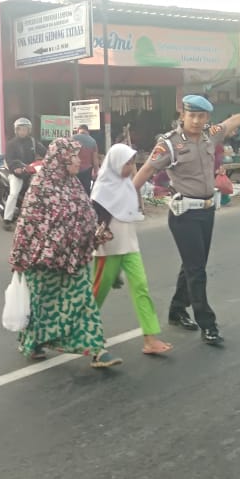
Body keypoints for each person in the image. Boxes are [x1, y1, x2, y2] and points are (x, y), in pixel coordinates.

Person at [139, 89, 240, 345]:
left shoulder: (210, 136)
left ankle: (177, 309)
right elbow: (147, 168)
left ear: (207, 118)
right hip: (184, 214)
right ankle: (208, 324)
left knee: (194, 265)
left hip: (206, 210)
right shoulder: (170, 144)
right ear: (183, 115)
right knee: (197, 270)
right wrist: (125, 197)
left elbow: (235, 120)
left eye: (202, 116)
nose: (197, 121)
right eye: (192, 115)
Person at [8, 138, 122, 368]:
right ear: (60, 158)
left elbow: (85, 214)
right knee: (41, 307)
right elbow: (27, 225)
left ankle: (97, 349)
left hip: (74, 260)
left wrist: (95, 235)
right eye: (74, 156)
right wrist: (19, 257)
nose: (79, 161)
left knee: (83, 303)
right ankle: (34, 342)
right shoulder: (41, 186)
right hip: (43, 262)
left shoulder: (74, 184)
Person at [91, 143, 171, 356]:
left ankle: (150, 338)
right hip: (108, 250)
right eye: (126, 163)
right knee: (96, 294)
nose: (130, 168)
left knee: (141, 287)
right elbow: (95, 221)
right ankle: (81, 332)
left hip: (130, 246)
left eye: (131, 163)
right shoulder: (101, 189)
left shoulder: (127, 185)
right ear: (115, 163)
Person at [3, 117, 46, 230]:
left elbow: (45, 152)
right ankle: (7, 219)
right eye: (20, 129)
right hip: (17, 173)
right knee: (14, 193)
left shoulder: (33, 142)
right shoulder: (11, 144)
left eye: (25, 129)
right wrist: (15, 168)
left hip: (30, 172)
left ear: (29, 130)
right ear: (16, 130)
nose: (23, 131)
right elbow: (9, 159)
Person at [73, 124, 100, 195]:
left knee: (74, 190)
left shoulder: (72, 139)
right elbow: (95, 159)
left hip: (73, 171)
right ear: (88, 132)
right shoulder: (92, 141)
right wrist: (96, 171)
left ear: (78, 131)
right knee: (86, 191)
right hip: (86, 171)